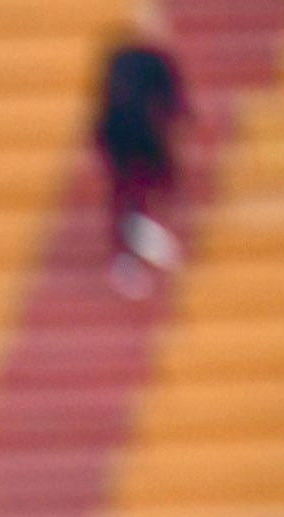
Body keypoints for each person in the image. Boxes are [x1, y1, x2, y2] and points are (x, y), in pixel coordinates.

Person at [95, 5, 189, 298]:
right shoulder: (129, 58)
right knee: (132, 193)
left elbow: (176, 105)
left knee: (146, 188)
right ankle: (134, 247)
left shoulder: (145, 60)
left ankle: (141, 236)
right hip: (126, 135)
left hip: (132, 135)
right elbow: (176, 106)